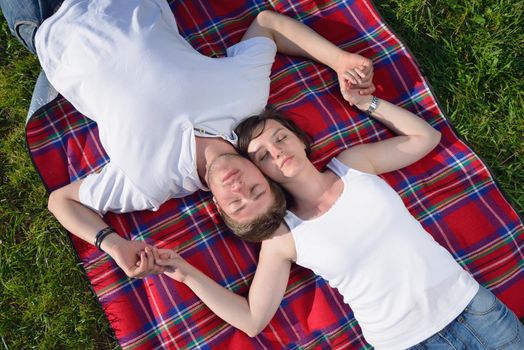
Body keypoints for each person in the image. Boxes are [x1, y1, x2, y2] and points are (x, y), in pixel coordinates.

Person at [0, 0, 375, 278]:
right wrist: (339, 61)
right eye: (256, 191)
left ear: (219, 207)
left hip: (44, 20)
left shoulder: (150, 184)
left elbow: (60, 201)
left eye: (237, 204)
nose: (240, 189)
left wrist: (112, 245)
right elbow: (268, 26)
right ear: (264, 175)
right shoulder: (245, 97)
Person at [153, 88, 524, 349]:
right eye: (263, 156)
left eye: (280, 138)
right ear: (260, 174)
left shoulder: (352, 165)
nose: (277, 152)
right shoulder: (284, 237)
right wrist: (184, 272)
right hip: (400, 342)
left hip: (471, 307)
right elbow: (252, 319)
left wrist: (368, 102)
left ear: (299, 139)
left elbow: (424, 137)